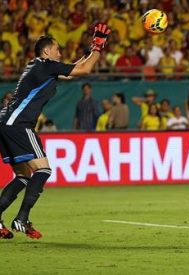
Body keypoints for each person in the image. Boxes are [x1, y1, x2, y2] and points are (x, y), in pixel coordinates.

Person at [0, 24, 111, 239]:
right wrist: (98, 47)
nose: (60, 53)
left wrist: (90, 51)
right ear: (47, 51)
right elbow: (84, 70)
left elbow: (71, 72)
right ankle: (22, 217)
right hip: (18, 123)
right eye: (57, 49)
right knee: (43, 171)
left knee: (23, 176)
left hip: (5, 122)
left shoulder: (39, 67)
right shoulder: (47, 66)